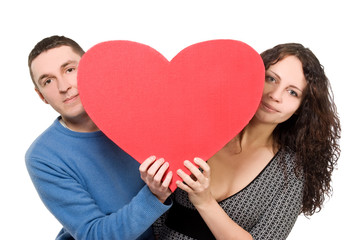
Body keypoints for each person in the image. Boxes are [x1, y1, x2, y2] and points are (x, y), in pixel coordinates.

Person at [153, 43, 341, 239]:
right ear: (253, 75)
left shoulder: (291, 172)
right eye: (271, 79)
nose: (275, 95)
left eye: (292, 92)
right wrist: (157, 193)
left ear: (302, 108)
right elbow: (154, 213)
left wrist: (205, 202)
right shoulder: (201, 128)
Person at [25, 35, 173, 240]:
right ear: (41, 95)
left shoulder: (137, 112)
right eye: (48, 81)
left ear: (90, 69)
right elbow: (93, 235)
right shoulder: (43, 156)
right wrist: (155, 195)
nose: (63, 86)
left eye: (69, 70)